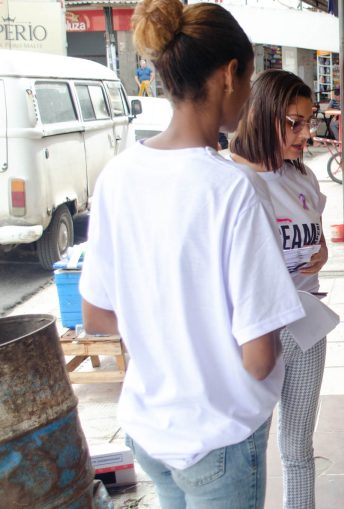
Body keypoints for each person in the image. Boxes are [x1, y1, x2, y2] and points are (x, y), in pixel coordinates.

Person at [79, 1, 305, 507]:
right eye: (249, 79)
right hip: (219, 437)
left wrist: (170, 333)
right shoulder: (233, 188)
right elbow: (259, 359)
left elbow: (96, 315)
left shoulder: (118, 176)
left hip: (150, 428)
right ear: (229, 75)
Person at [230, 70, 328, 509]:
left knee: (297, 446)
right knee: (245, 447)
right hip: (251, 332)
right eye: (294, 122)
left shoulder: (302, 177)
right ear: (262, 115)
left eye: (309, 121)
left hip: (306, 324)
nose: (306, 134)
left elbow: (316, 236)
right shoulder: (230, 180)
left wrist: (321, 251)